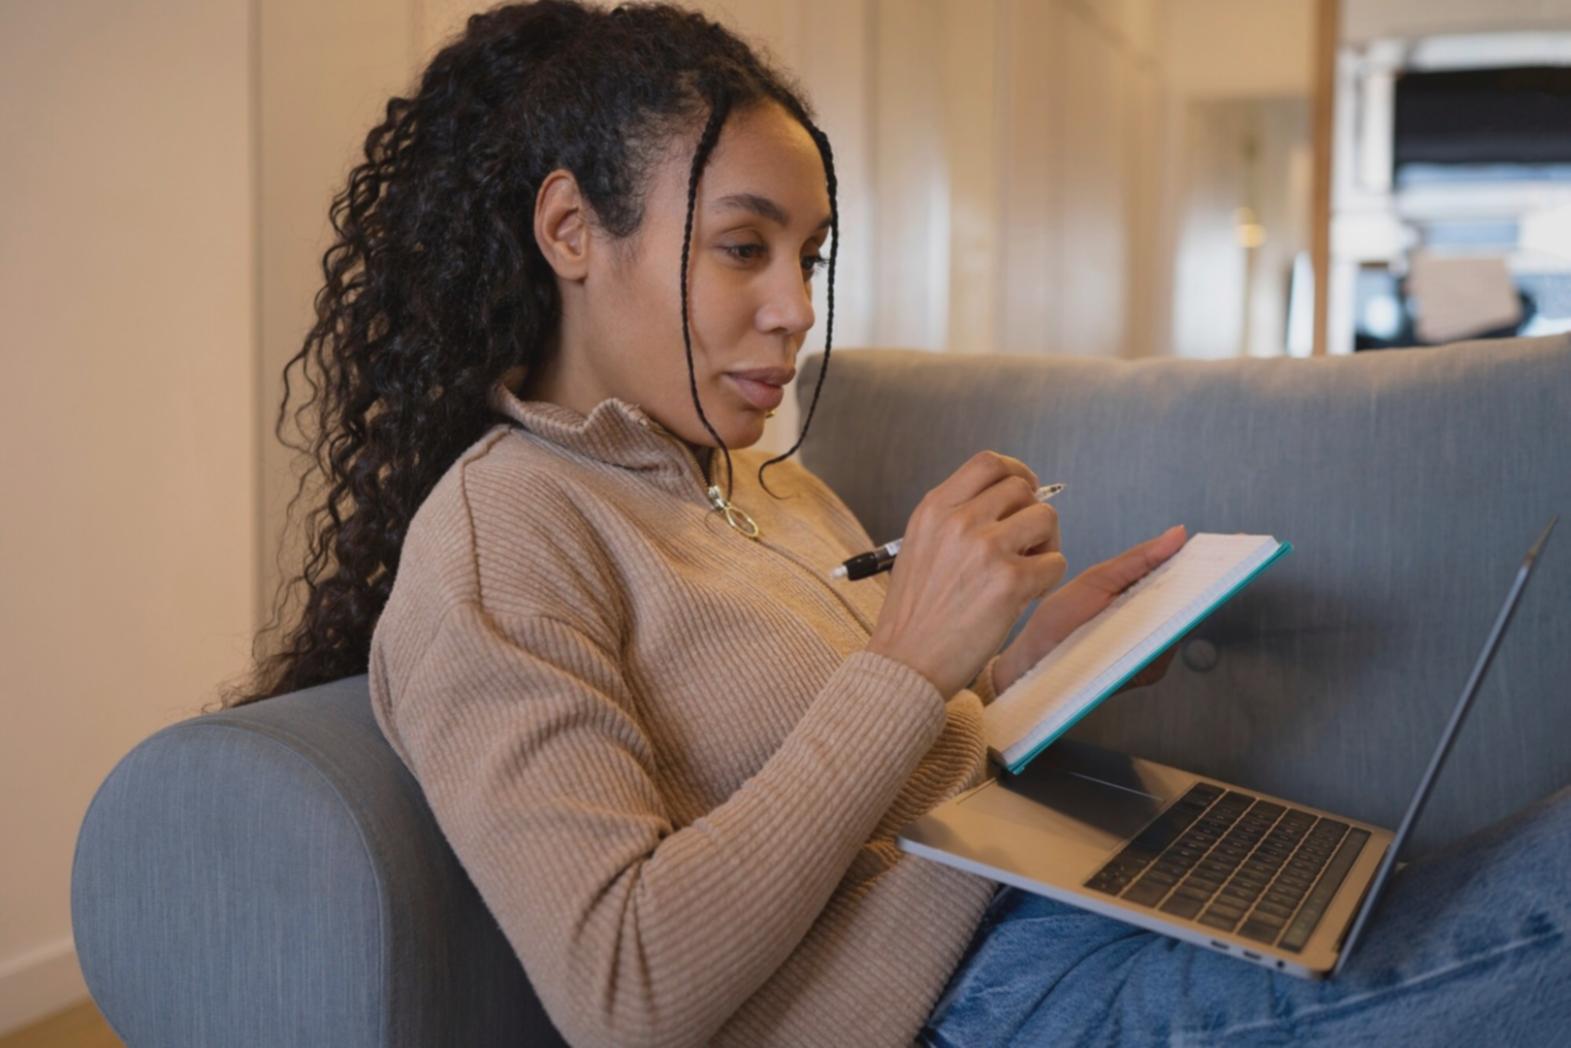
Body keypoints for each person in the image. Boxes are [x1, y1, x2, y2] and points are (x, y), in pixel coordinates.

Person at [217, 2, 1571, 1045]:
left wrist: (1038, 657)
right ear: (574, 229)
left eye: (804, 258)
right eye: (743, 247)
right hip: (965, 1001)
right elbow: (622, 989)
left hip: (1044, 890)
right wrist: (911, 658)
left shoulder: (752, 474)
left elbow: (884, 759)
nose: (795, 310)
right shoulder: (503, 541)